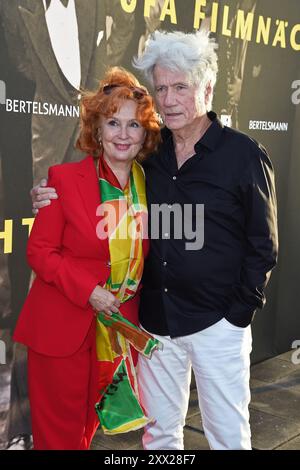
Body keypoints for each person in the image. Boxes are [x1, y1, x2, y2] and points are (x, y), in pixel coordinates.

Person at [31, 30, 278, 450]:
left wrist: (237, 314)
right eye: (161, 88)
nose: (168, 99)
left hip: (218, 323)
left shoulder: (243, 155)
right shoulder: (152, 151)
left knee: (228, 437)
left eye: (180, 86)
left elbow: (263, 244)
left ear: (207, 88)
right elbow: (101, 172)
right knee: (160, 437)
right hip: (156, 325)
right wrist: (43, 193)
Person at [13, 66, 161, 450]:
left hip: (113, 334)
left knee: (84, 433)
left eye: (133, 125)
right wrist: (89, 291)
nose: (123, 135)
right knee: (60, 439)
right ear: (97, 130)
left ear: (145, 133)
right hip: (62, 330)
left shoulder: (150, 186)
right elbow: (39, 252)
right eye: (113, 123)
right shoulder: (63, 180)